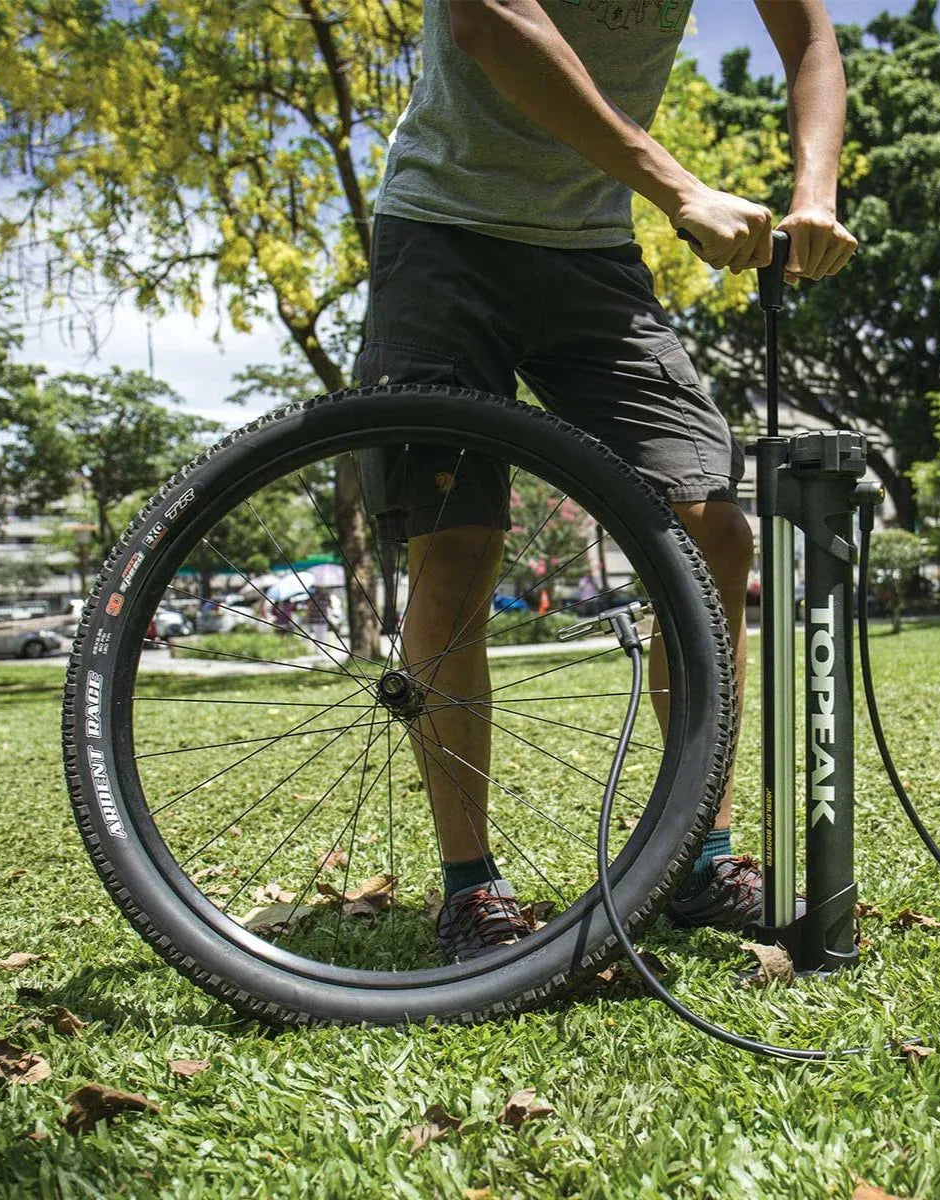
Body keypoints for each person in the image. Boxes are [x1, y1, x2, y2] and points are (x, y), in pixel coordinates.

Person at [355, 0, 858, 961]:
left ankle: (696, 862)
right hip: (440, 233)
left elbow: (813, 41)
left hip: (590, 253)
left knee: (712, 527)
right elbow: (484, 22)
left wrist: (816, 192)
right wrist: (679, 189)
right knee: (458, 548)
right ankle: (472, 887)